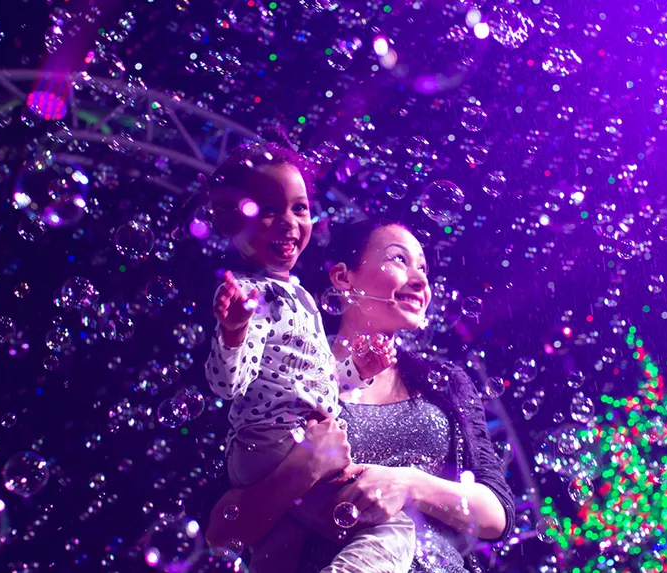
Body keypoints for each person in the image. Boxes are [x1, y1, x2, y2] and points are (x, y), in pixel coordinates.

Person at [205, 218, 515, 573]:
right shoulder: (286, 376)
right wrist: (303, 469)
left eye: (423, 268)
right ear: (343, 278)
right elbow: (222, 531)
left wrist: (408, 484)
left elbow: (497, 515)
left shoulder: (445, 381)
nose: (420, 280)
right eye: (399, 259)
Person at [203, 129, 416, 573]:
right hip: (275, 445)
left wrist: (358, 369)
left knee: (278, 551)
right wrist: (235, 331)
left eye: (298, 208)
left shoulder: (295, 296)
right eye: (266, 210)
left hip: (277, 446)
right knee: (392, 528)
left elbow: (319, 382)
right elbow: (228, 384)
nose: (288, 221)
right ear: (230, 224)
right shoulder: (250, 295)